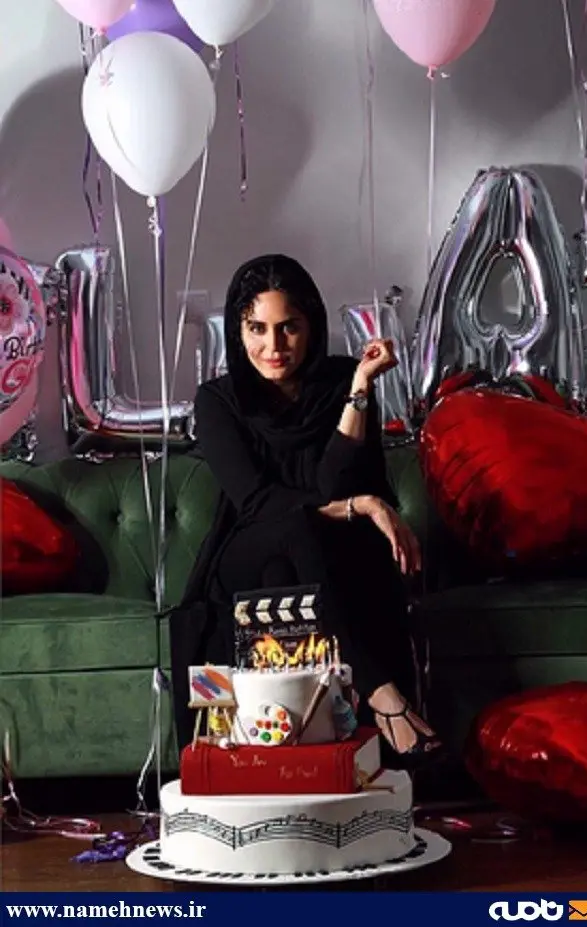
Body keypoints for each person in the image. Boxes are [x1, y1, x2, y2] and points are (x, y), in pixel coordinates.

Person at [169, 254, 442, 768]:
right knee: (292, 525)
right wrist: (362, 505)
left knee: (294, 555)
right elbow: (255, 501)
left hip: (318, 555)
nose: (273, 347)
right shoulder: (217, 400)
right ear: (238, 332)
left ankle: (300, 767)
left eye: (288, 327)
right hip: (244, 548)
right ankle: (381, 694)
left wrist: (359, 389)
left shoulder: (340, 381)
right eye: (257, 328)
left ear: (311, 325)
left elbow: (331, 485)